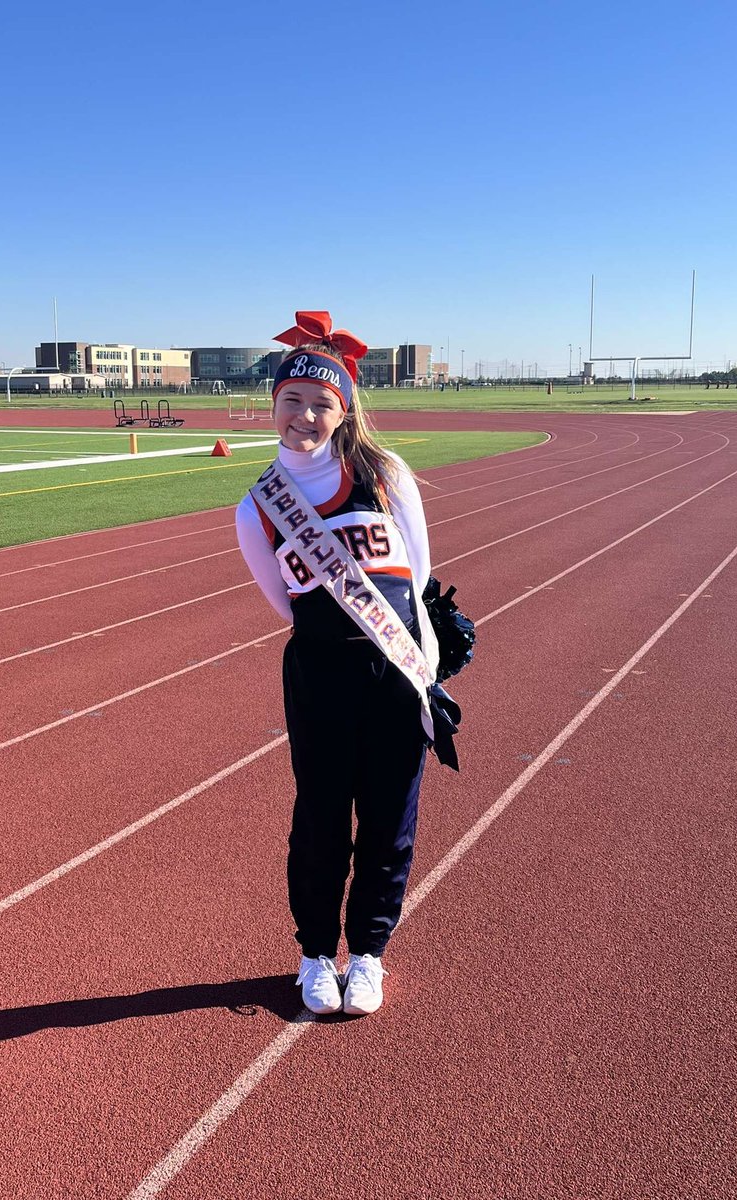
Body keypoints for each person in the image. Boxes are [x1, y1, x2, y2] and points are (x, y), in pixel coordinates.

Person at [236, 311, 437, 1017]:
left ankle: (370, 954)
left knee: (390, 819)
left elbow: (418, 575)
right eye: (293, 400)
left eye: (322, 403)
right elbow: (283, 604)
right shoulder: (257, 506)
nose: (306, 415)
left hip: (392, 672)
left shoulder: (384, 473)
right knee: (321, 819)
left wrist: (417, 662)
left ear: (342, 409)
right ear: (273, 406)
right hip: (319, 676)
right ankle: (317, 953)